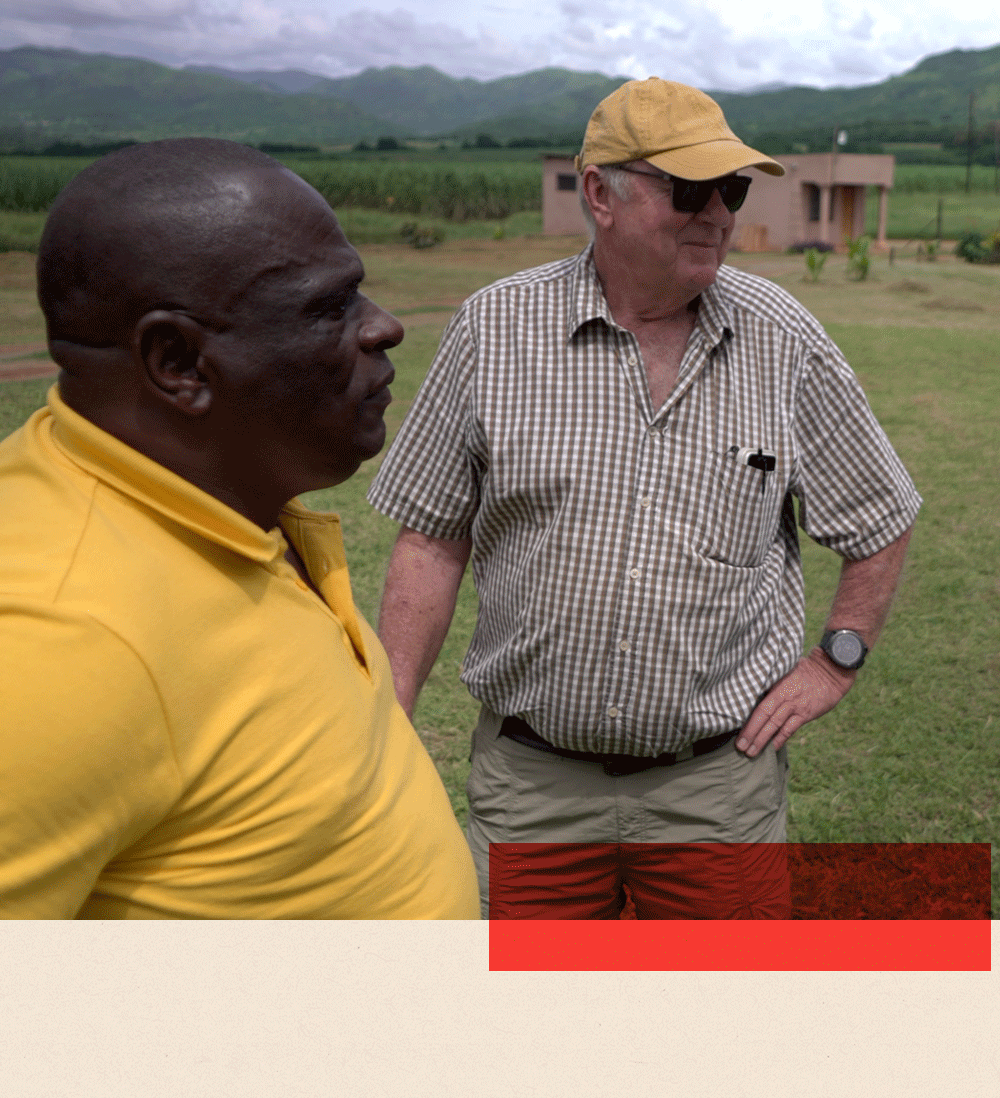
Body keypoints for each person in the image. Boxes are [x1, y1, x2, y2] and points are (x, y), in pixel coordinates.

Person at [367, 78, 920, 918]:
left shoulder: (784, 340)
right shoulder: (495, 329)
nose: (719, 214)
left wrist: (833, 661)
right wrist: (392, 717)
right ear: (601, 192)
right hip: (531, 792)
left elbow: (880, 517)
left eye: (731, 189)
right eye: (691, 188)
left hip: (717, 795)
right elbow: (431, 541)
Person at [0, 138, 479, 919]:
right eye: (329, 307)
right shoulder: (52, 637)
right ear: (179, 363)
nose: (386, 327)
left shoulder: (225, 493)